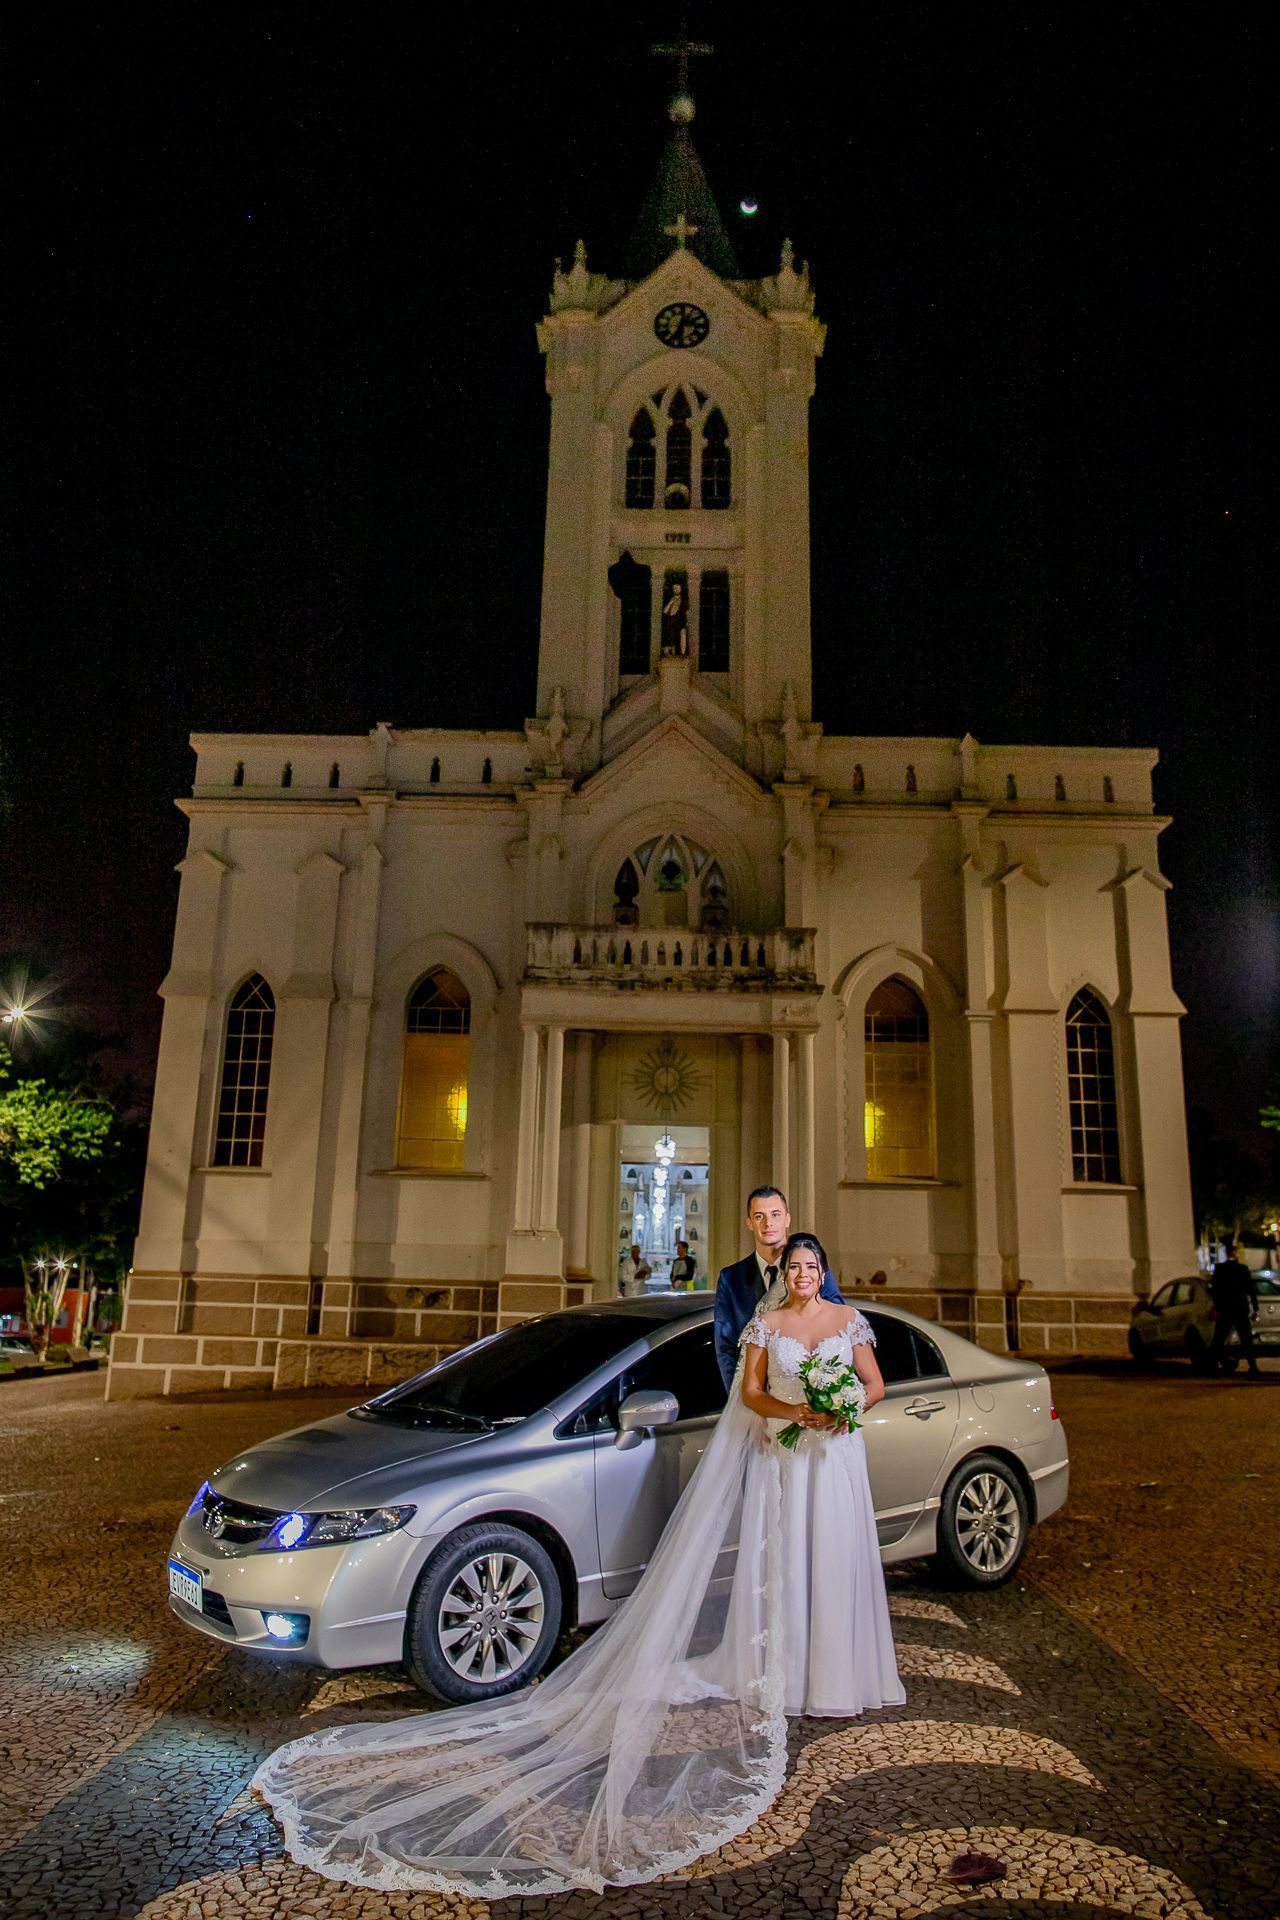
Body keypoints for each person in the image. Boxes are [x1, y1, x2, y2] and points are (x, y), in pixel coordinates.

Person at [253, 1237, 904, 1895]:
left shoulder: (847, 1322)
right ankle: (780, 1662)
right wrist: (798, 1411)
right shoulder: (767, 1325)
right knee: (782, 1563)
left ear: (823, 1272)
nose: (802, 1274)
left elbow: (873, 1384)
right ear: (784, 1273)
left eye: (811, 1266)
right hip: (784, 1450)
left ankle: (829, 1668)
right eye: (794, 1266)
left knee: (831, 1564)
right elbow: (753, 1394)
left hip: (832, 1456)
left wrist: (841, 1409)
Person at [713, 1184, 843, 1390]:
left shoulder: (813, 1270)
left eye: (775, 1214)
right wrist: (741, 1397)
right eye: (759, 1216)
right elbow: (726, 1348)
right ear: (749, 1223)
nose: (768, 1223)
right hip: (752, 1395)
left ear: (787, 1219)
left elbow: (836, 1327)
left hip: (805, 1392)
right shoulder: (731, 1278)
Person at [1211, 1243, 1261, 1376]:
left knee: (1219, 1338)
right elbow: (1251, 1290)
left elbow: (1215, 1290)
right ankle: (1253, 1366)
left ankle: (1213, 1365)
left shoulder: (1220, 1269)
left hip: (1225, 1309)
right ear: (1235, 1253)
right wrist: (1255, 1308)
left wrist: (1217, 1305)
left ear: (1226, 1254)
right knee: (1246, 1339)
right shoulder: (1242, 1269)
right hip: (1240, 1308)